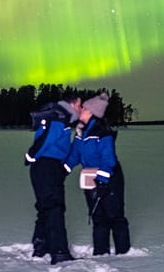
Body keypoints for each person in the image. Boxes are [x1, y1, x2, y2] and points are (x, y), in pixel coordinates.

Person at [67, 91, 131, 256]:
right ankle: (101, 253)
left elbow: (108, 159)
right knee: (98, 216)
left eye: (85, 109)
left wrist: (102, 180)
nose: (81, 111)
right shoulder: (81, 131)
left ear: (92, 113)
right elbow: (74, 154)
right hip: (90, 178)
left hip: (110, 178)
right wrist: (63, 168)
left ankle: (124, 254)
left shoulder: (102, 132)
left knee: (115, 215)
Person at [25, 96, 82, 265]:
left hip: (50, 167)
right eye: (79, 105)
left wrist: (63, 168)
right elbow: (47, 139)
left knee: (46, 207)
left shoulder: (61, 118)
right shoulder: (59, 117)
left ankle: (41, 246)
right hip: (47, 166)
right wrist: (32, 155)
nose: (80, 109)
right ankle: (59, 251)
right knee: (54, 207)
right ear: (71, 104)